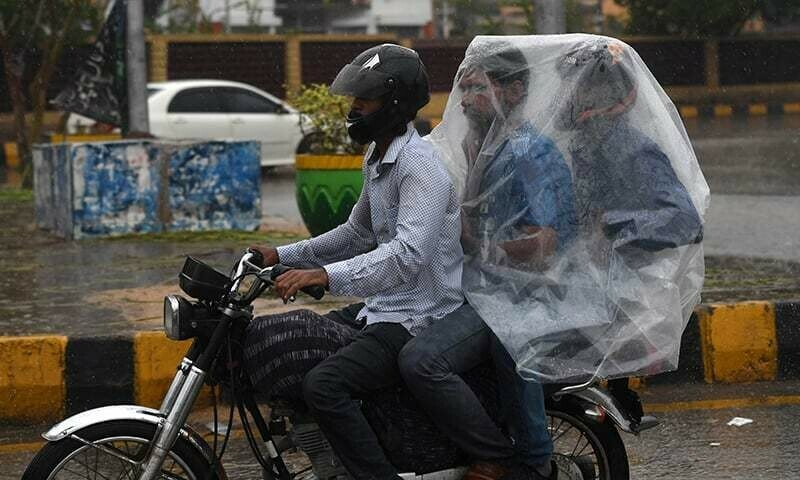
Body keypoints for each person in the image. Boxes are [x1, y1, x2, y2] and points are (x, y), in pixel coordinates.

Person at [251, 44, 464, 480]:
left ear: (395, 103)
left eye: (363, 100)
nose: (354, 109)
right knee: (294, 346)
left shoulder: (419, 167)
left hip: (420, 314)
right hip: (385, 306)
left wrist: (324, 276)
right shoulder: (379, 158)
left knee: (325, 385)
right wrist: (280, 254)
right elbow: (356, 234)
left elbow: (407, 257)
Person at [399, 41, 576, 480]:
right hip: (477, 286)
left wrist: (477, 242)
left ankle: (514, 460)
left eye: (477, 88)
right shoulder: (481, 147)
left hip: (518, 295)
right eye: (464, 88)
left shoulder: (529, 153)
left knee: (422, 360)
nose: (463, 100)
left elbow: (544, 244)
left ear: (514, 90)